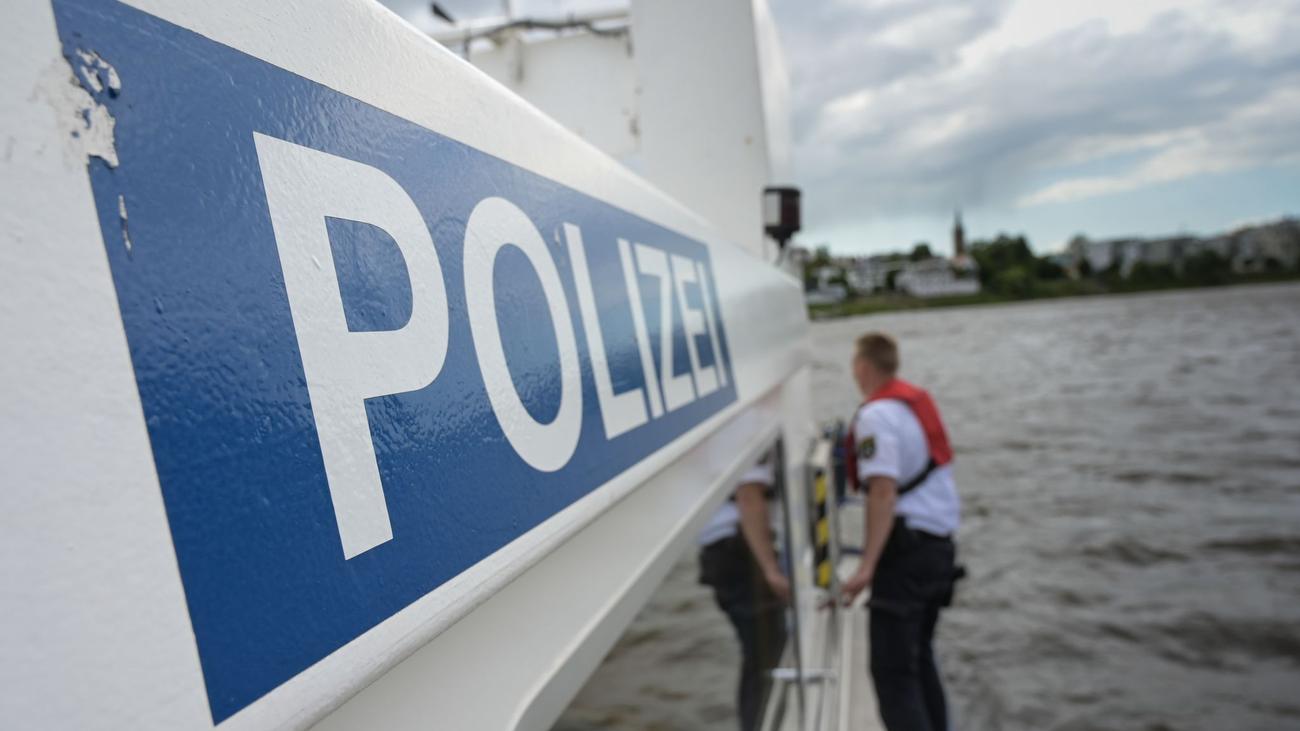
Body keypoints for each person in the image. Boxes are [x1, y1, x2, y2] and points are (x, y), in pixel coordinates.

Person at [840, 332, 961, 731]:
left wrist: (866, 566)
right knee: (920, 658)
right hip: (939, 548)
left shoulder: (876, 416)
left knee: (893, 674)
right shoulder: (912, 407)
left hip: (906, 554)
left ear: (862, 367)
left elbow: (882, 490)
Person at [698, 452, 789, 731]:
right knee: (764, 659)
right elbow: (749, 496)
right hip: (740, 553)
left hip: (729, 551)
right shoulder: (746, 433)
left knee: (760, 657)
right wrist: (770, 570)